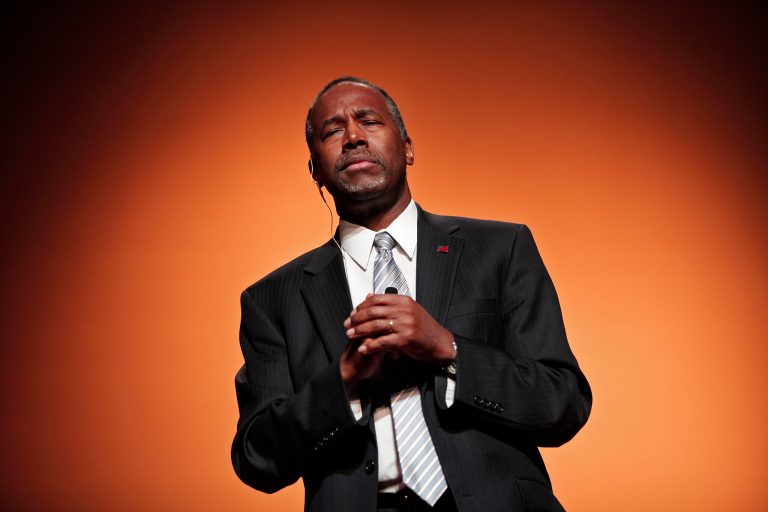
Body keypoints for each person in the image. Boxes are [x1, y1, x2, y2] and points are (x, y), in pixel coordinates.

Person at [231, 77, 592, 511]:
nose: (353, 137)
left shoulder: (500, 249)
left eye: (369, 121)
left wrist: (448, 349)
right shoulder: (272, 299)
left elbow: (563, 404)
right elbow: (256, 458)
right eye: (332, 131)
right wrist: (343, 380)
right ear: (315, 172)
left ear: (407, 148)